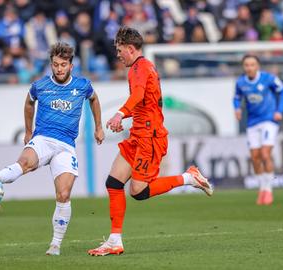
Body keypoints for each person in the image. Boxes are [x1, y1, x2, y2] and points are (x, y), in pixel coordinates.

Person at [87, 26, 213, 257]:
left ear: (130, 48)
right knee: (114, 183)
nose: (118, 54)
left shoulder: (140, 67)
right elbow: (146, 103)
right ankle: (115, 241)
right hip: (138, 133)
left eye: (119, 50)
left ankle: (188, 177)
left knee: (138, 191)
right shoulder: (140, 68)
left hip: (149, 137)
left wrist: (119, 113)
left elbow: (137, 96)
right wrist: (126, 117)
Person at [0, 42, 105, 256]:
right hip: (43, 138)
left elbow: (94, 100)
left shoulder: (83, 85)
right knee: (25, 163)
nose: (59, 69)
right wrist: (29, 131)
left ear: (71, 66)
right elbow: (29, 103)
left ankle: (55, 244)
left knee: (64, 194)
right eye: (55, 64)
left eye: (63, 65)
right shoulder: (40, 86)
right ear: (51, 65)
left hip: (66, 146)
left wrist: (99, 126)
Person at [233, 55, 283, 205]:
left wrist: (280, 111)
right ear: (244, 67)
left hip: (269, 120)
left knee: (265, 154)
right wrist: (237, 108)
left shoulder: (268, 78)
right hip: (252, 123)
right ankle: (262, 188)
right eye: (246, 65)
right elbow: (237, 97)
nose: (249, 67)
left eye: (252, 64)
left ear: (257, 66)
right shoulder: (241, 82)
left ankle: (268, 190)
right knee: (255, 157)